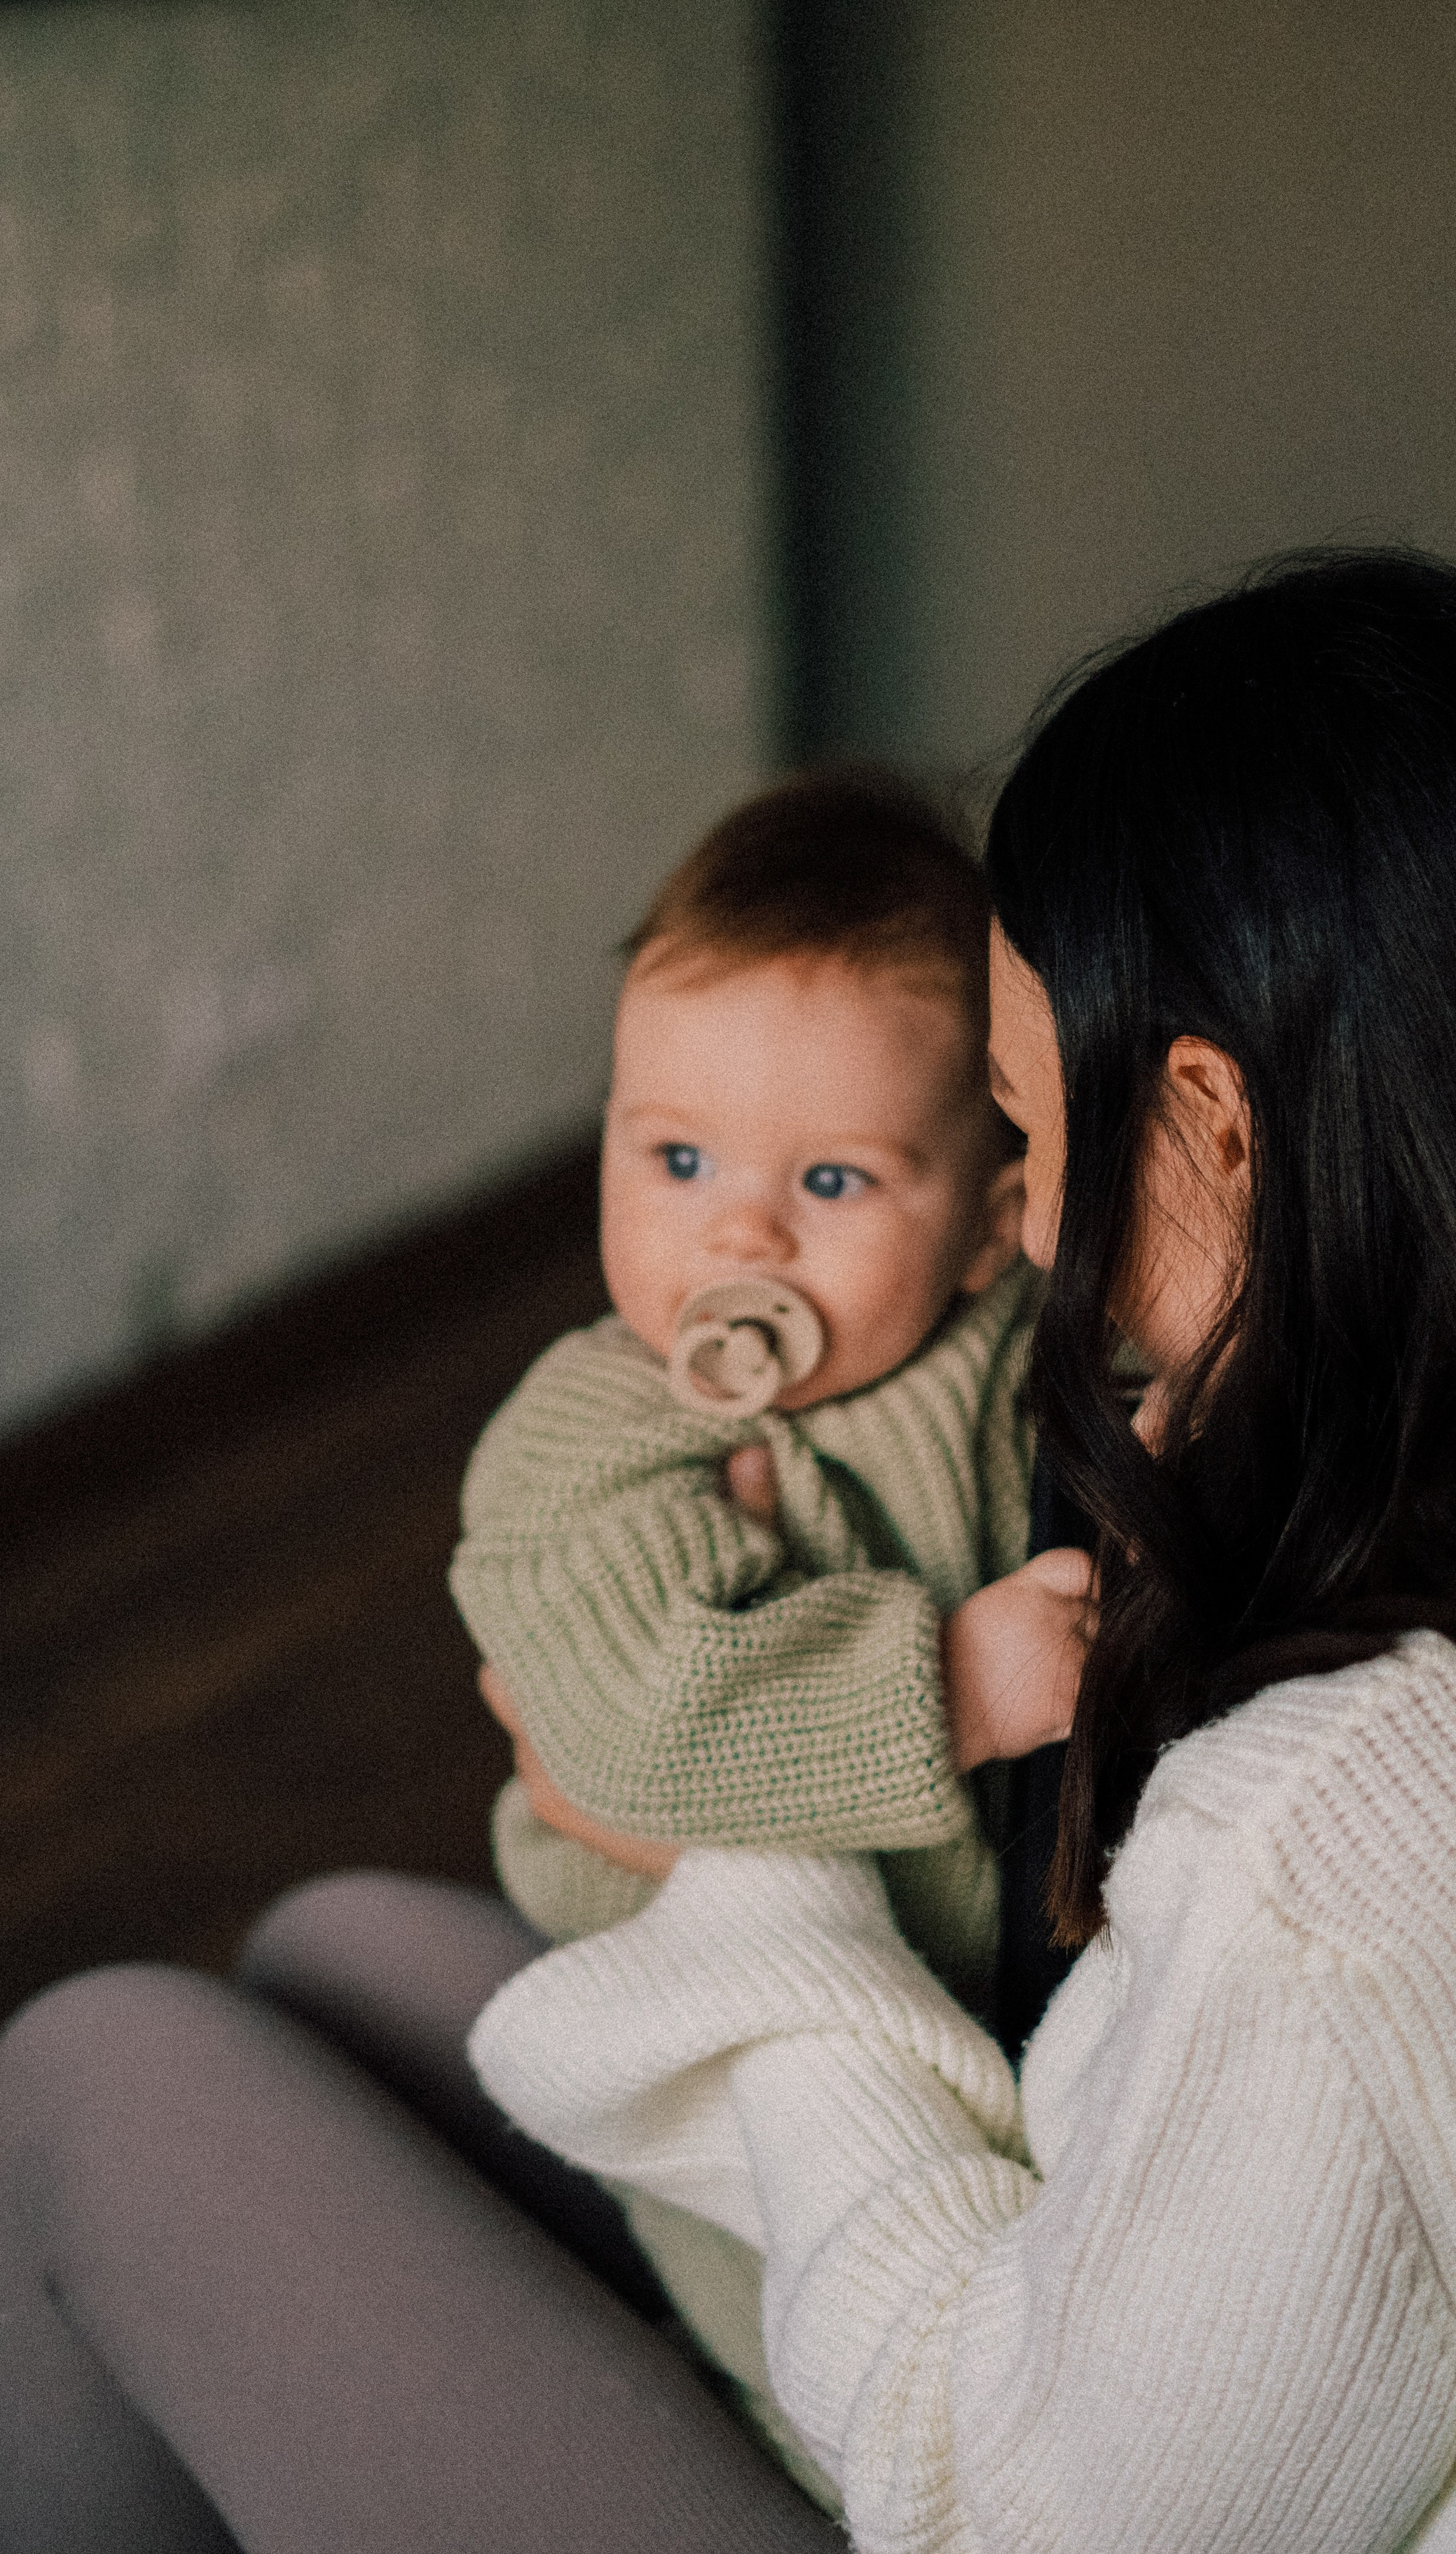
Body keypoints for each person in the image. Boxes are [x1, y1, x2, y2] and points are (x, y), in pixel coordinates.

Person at [1, 548, 1456, 2554]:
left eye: (1016, 1141)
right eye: (673, 1156)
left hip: (949, 2461)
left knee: (100, 2065)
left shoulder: (1340, 1847)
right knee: (334, 1951)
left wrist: (730, 1856)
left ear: (1213, 1129)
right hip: (1010, 2123)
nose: (1040, 1244)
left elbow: (1007, 2509)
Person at [446, 771, 1057, 2495]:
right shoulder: (593, 1428)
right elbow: (633, 1733)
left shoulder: (1004, 1350)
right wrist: (955, 1684)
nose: (740, 1232)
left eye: (839, 1179)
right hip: (707, 1994)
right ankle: (804, 2449)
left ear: (999, 1216)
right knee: (771, 2270)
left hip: (992, 1982)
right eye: (678, 1156)